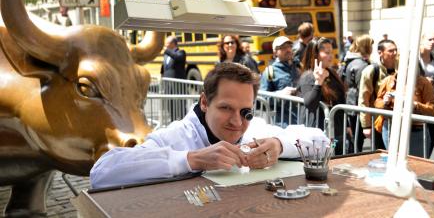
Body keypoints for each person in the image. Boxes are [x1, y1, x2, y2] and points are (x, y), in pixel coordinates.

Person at [90, 63, 329, 189]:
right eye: (226, 108)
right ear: (204, 102)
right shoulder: (176, 137)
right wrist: (191, 159)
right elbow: (101, 173)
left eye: (245, 112)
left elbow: (322, 141)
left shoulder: (254, 128)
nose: (237, 122)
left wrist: (279, 144)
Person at [298, 37, 346, 155]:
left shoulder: (332, 73)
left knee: (336, 161)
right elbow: (310, 104)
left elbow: (341, 101)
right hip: (319, 134)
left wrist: (347, 126)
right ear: (315, 55)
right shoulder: (308, 76)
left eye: (332, 52)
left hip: (336, 132)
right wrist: (318, 82)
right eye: (327, 52)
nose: (331, 56)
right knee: (322, 164)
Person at [374, 72, 434, 157]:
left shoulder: (424, 83)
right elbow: (377, 103)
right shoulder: (388, 80)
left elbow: (432, 110)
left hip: (415, 132)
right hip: (391, 129)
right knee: (393, 161)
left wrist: (416, 105)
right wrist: (385, 102)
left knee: (415, 165)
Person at [358, 39, 398, 150]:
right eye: (390, 51)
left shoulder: (401, 69)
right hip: (378, 123)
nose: (394, 53)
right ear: (380, 52)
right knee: (382, 156)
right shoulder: (371, 71)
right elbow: (363, 100)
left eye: (395, 50)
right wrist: (366, 126)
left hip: (397, 121)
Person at [341, 34, 374, 153]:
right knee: (356, 141)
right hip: (357, 106)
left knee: (355, 140)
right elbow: (363, 89)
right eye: (371, 45)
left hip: (352, 104)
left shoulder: (350, 60)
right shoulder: (360, 64)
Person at [260, 36, 300, 126]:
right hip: (283, 123)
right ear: (275, 52)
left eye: (289, 46)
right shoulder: (270, 71)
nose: (288, 50)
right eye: (283, 48)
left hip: (301, 120)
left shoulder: (298, 66)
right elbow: (263, 98)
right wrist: (281, 94)